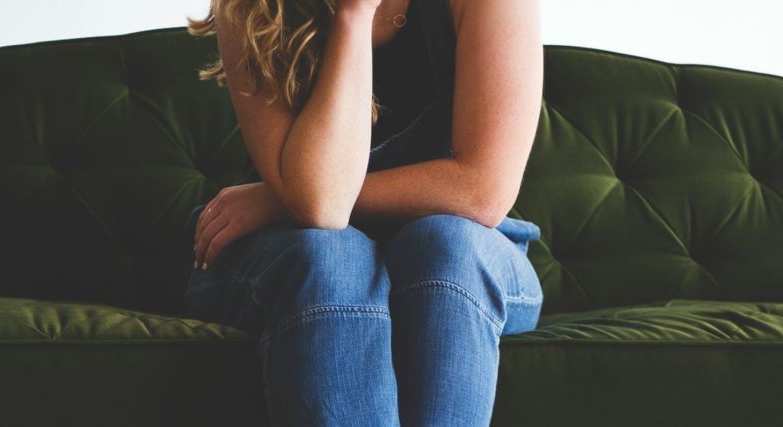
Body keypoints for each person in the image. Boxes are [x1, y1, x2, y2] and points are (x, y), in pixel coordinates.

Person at [182, 0, 545, 425]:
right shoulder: (254, 8)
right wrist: (355, 16)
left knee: (448, 246)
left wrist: (277, 199)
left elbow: (482, 189)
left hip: (463, 252)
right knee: (331, 257)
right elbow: (320, 208)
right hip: (296, 249)